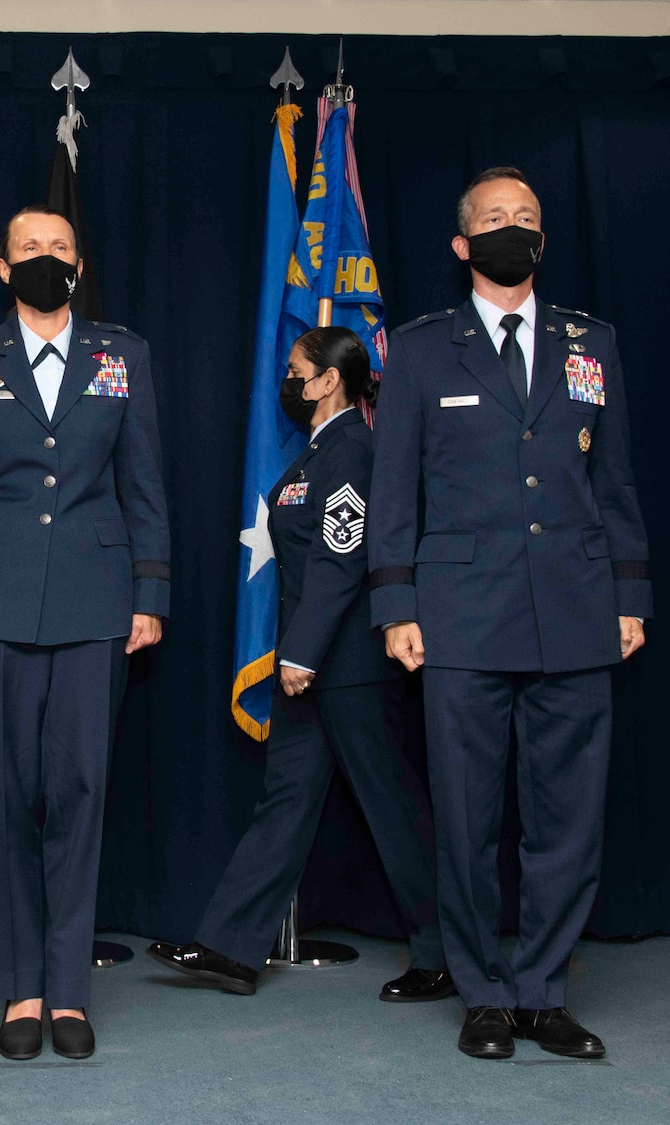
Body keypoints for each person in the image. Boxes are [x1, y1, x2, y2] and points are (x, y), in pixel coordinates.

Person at [367, 167, 650, 1060]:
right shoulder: (418, 349)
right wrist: (395, 603)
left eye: (527, 217)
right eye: (494, 218)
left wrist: (629, 596)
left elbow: (615, 482)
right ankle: (483, 991)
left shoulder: (589, 343)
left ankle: (543, 992)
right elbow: (392, 492)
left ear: (543, 238)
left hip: (574, 606)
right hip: (459, 615)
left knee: (568, 816)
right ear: (462, 246)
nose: (512, 229)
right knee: (467, 815)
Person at [0, 205, 170, 1062]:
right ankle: (20, 988)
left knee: (80, 795)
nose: (46, 258)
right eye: (30, 247)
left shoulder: (121, 355)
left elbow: (145, 484)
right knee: (8, 796)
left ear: (79, 262)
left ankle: (69, 992)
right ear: (2, 267)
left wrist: (151, 591)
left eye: (60, 247)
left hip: (98, 601)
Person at [147, 326, 448, 1003]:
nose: (288, 380)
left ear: (328, 380)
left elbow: (341, 561)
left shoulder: (354, 451)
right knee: (285, 802)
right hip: (310, 668)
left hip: (345, 667)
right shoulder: (317, 454)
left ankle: (447, 953)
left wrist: (302, 652)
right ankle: (230, 946)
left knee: (395, 811)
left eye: (296, 369)